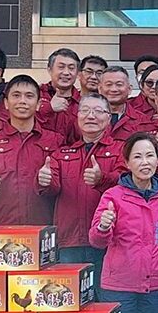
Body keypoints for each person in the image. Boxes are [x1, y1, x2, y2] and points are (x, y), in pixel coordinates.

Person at [90, 132, 158, 313]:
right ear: (127, 163)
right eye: (137, 157)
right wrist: (103, 226)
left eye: (150, 155)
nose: (145, 162)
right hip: (119, 286)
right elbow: (96, 241)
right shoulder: (112, 196)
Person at [40, 93, 125, 298]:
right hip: (70, 241)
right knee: (72, 301)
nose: (91, 116)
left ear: (109, 117)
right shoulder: (62, 154)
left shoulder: (121, 150)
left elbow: (127, 184)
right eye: (85, 111)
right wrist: (44, 181)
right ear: (77, 117)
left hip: (110, 242)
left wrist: (102, 179)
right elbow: (52, 190)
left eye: (98, 111)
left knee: (107, 303)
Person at [0, 75, 64, 226]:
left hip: (43, 228)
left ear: (38, 104)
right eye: (16, 95)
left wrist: (48, 182)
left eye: (29, 96)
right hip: (1, 228)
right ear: (6, 103)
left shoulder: (55, 141)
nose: (22, 101)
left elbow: (67, 187)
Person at [36, 48, 81, 143]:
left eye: (71, 68)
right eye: (61, 67)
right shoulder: (35, 95)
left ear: (77, 73)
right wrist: (48, 108)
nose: (66, 73)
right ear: (49, 70)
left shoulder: (83, 102)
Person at [99, 66, 147, 140]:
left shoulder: (142, 120)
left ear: (129, 89)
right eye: (109, 84)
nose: (114, 89)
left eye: (119, 84)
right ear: (100, 89)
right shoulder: (88, 117)